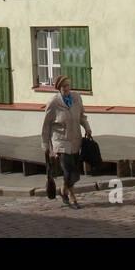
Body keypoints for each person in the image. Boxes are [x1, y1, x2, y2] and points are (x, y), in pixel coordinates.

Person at [41, 75, 92, 208]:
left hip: (75, 139)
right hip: (60, 141)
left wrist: (87, 128)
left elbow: (81, 116)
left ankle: (63, 190)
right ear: (59, 88)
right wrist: (45, 145)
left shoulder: (76, 98)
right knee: (68, 169)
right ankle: (72, 197)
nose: (67, 89)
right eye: (64, 87)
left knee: (74, 171)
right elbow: (46, 125)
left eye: (68, 85)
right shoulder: (53, 102)